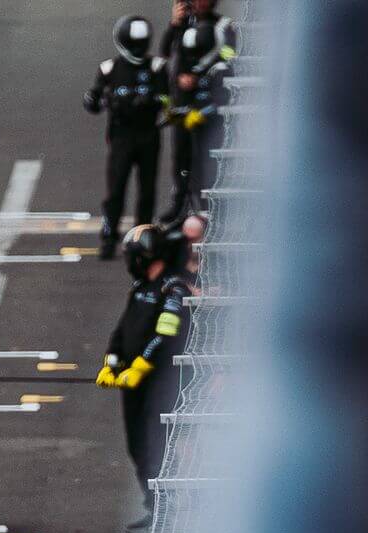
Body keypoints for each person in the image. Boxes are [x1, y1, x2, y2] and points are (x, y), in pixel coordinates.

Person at [98, 223, 194, 506]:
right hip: (132, 382)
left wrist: (140, 366)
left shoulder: (172, 288)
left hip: (161, 382)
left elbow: (165, 334)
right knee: (136, 445)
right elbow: (122, 328)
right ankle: (152, 503)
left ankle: (165, 507)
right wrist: (112, 361)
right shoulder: (140, 287)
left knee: (155, 446)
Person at [85, 16, 165, 259]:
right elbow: (93, 101)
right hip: (122, 137)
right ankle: (109, 237)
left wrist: (151, 100)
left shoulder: (157, 67)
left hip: (148, 134)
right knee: (116, 190)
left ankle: (144, 238)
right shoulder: (109, 69)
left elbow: (168, 98)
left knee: (147, 191)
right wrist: (101, 99)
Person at [162, 17, 231, 221]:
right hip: (193, 129)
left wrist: (202, 113)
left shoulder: (221, 68)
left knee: (212, 171)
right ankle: (190, 208)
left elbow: (224, 100)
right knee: (188, 167)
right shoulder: (193, 69)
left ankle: (215, 212)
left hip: (217, 132)